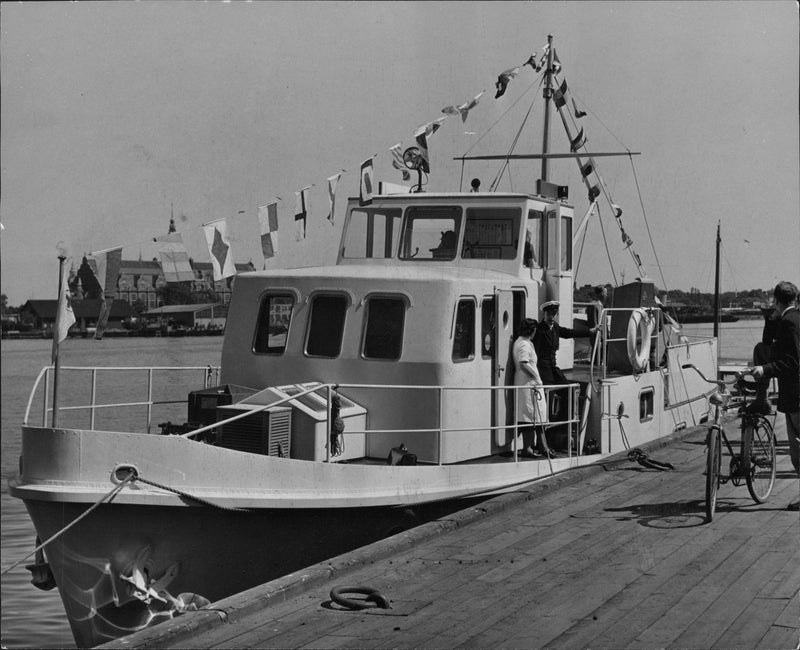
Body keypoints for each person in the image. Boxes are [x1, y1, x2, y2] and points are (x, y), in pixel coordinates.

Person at [751, 281, 800, 511]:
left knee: (798, 451)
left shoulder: (789, 323)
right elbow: (772, 347)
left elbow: (791, 361)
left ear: (777, 301)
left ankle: (761, 400)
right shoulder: (794, 319)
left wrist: (765, 370)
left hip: (796, 393)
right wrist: (772, 321)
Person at [512, 317, 545, 458]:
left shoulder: (524, 342)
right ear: (531, 330)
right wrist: (536, 378)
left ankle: (541, 446)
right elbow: (523, 363)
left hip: (529, 384)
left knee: (536, 416)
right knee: (529, 417)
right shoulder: (524, 344)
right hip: (528, 384)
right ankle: (528, 448)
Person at [587, 285, 607, 351]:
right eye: (605, 293)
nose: (606, 295)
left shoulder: (600, 305)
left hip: (602, 335)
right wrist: (598, 337)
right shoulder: (593, 305)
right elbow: (593, 323)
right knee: (596, 357)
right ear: (602, 294)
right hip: (597, 336)